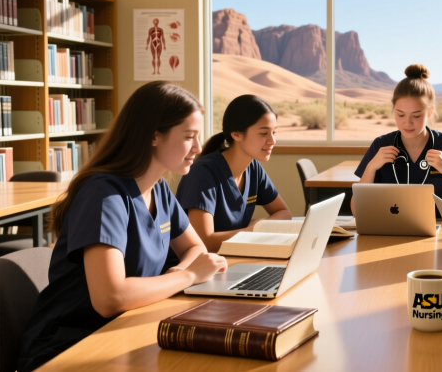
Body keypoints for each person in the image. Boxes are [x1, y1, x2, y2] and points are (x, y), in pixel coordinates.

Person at [17, 82, 228, 372]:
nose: (197, 148)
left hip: (126, 327)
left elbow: (195, 247)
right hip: (72, 347)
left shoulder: (159, 188)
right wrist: (188, 275)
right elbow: (109, 298)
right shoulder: (104, 194)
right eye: (189, 136)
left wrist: (180, 272)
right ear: (154, 135)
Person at [352, 64, 442, 219]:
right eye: (400, 114)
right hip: (389, 233)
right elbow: (357, 211)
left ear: (430, 112)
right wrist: (371, 167)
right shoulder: (381, 145)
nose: (407, 123)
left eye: (416, 115)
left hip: (438, 237)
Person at [176, 95, 291, 253]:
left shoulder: (253, 168)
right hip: (197, 267)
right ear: (236, 134)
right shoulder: (203, 172)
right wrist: (256, 230)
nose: (272, 141)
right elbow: (204, 242)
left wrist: (261, 227)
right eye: (264, 133)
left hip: (232, 257)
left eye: (274, 132)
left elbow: (284, 213)